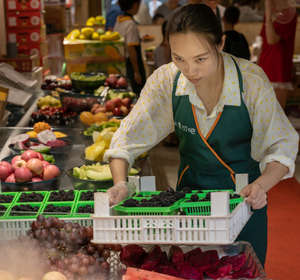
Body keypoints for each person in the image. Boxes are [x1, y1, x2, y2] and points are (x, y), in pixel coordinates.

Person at [105, 4, 298, 266]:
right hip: (189, 211)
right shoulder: (167, 81)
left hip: (244, 206)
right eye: (179, 58)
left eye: (200, 59)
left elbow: (281, 147)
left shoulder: (250, 82)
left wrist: (262, 186)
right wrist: (120, 182)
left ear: (220, 44)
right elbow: (126, 139)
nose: (190, 70)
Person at [258, 0, 297, 109]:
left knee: (276, 117)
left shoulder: (288, 14)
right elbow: (263, 42)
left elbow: (271, 40)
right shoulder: (271, 13)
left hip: (278, 72)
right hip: (265, 69)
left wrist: (268, 13)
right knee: (262, 117)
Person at [114, 0, 146, 95]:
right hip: (132, 65)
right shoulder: (130, 24)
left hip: (123, 63)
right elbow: (131, 49)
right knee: (137, 93)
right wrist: (137, 72)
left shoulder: (119, 20)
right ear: (135, 5)